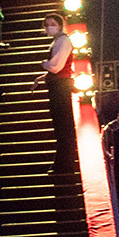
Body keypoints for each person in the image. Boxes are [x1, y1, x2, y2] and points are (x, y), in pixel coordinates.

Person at [37, 13, 76, 174]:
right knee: (60, 125)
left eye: (52, 24)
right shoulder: (57, 42)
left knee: (63, 126)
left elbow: (56, 66)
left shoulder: (64, 41)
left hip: (61, 87)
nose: (49, 27)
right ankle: (62, 162)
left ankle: (65, 163)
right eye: (47, 24)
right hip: (56, 85)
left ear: (60, 25)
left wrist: (44, 63)